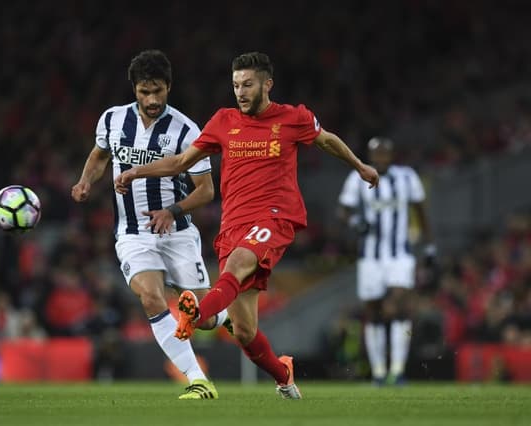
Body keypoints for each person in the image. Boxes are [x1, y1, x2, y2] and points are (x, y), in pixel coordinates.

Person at [114, 52, 379, 399]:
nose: (240, 91)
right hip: (233, 225)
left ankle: (193, 316)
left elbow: (326, 140)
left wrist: (359, 165)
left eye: (248, 84)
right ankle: (282, 374)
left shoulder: (292, 118)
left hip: (274, 216)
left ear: (267, 84)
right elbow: (180, 162)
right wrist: (136, 171)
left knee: (237, 266)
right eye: (236, 84)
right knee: (243, 330)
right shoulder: (224, 121)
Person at [71, 50, 229, 400]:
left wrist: (172, 210)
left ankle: (221, 315)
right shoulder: (112, 120)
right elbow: (99, 156)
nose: (152, 99)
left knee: (202, 318)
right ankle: (197, 380)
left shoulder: (187, 131)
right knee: (151, 297)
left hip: (177, 232)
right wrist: (86, 181)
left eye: (158, 90)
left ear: (169, 87)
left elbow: (206, 191)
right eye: (145, 91)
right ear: (134, 89)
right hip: (132, 233)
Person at [337, 137, 435, 385]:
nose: (380, 158)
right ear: (370, 155)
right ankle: (380, 372)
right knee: (373, 313)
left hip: (400, 254)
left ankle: (398, 370)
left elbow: (421, 211)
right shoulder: (358, 176)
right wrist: (355, 222)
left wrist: (430, 245)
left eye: (384, 154)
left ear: (392, 155)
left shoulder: (407, 177)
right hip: (370, 257)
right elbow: (343, 210)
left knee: (396, 305)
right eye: (376, 154)